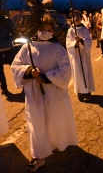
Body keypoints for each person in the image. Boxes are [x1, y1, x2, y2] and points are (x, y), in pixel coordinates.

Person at [11, 15, 78, 171]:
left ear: (53, 31)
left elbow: (65, 70)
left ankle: (55, 143)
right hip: (34, 93)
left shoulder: (58, 49)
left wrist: (45, 77)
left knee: (54, 120)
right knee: (36, 123)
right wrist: (28, 71)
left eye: (48, 30)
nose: (44, 32)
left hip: (54, 92)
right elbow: (15, 65)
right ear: (36, 30)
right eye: (41, 29)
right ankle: (38, 155)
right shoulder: (27, 48)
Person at [66, 10, 95, 101]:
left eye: (77, 16)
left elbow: (89, 42)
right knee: (77, 73)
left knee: (85, 72)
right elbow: (68, 43)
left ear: (81, 17)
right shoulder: (70, 31)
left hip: (83, 55)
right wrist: (75, 44)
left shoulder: (84, 30)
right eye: (73, 16)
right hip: (75, 56)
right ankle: (79, 91)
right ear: (71, 19)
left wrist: (81, 41)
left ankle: (86, 92)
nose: (75, 18)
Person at [0, 14, 16, 95]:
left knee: (15, 67)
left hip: (8, 48)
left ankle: (23, 84)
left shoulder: (5, 20)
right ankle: (4, 87)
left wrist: (7, 41)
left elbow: (14, 33)